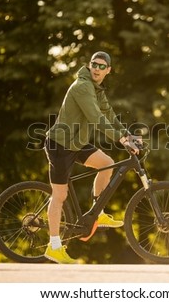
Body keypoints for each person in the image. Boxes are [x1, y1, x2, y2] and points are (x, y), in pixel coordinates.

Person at [43, 51, 139, 264]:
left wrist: (126, 134)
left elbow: (109, 114)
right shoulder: (83, 86)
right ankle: (54, 246)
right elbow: (96, 118)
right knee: (60, 195)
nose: (96, 68)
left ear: (108, 70)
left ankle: (98, 211)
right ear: (89, 65)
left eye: (101, 66)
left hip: (76, 143)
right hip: (60, 144)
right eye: (94, 64)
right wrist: (120, 140)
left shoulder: (97, 90)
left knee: (107, 163)